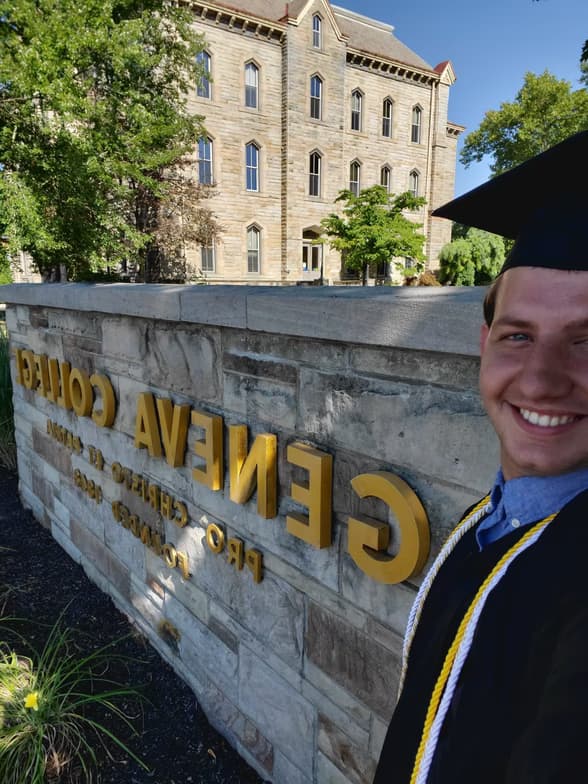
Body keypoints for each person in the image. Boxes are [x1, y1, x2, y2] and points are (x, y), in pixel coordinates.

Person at [373, 130, 588, 784]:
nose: (543, 379)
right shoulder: (492, 520)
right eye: (519, 336)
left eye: (586, 341)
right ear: (484, 343)